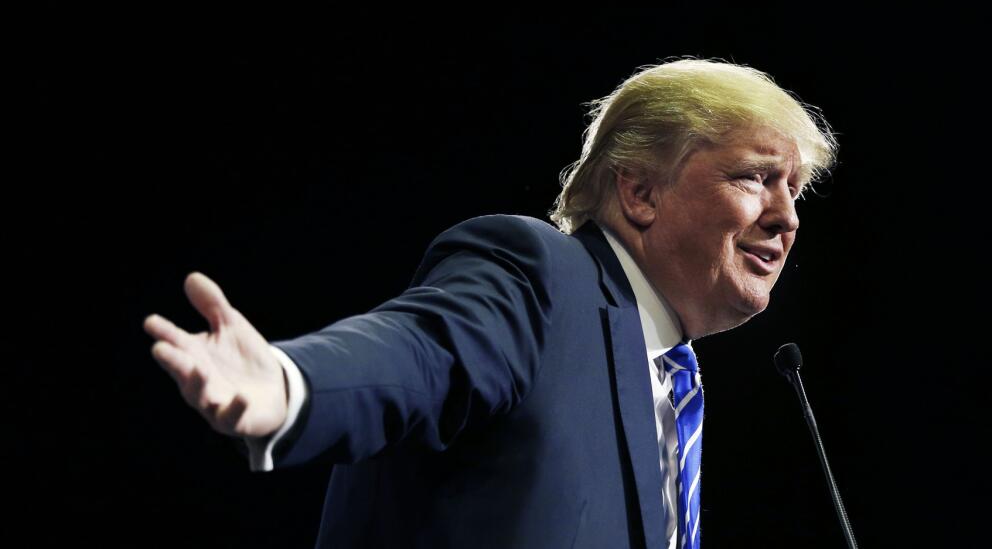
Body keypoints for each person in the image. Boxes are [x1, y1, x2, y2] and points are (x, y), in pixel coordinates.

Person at [144, 58, 836, 548]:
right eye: (755, 178)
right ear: (641, 193)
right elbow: (419, 350)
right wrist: (288, 381)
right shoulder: (544, 279)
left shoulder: (666, 374)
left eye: (794, 190)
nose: (787, 216)